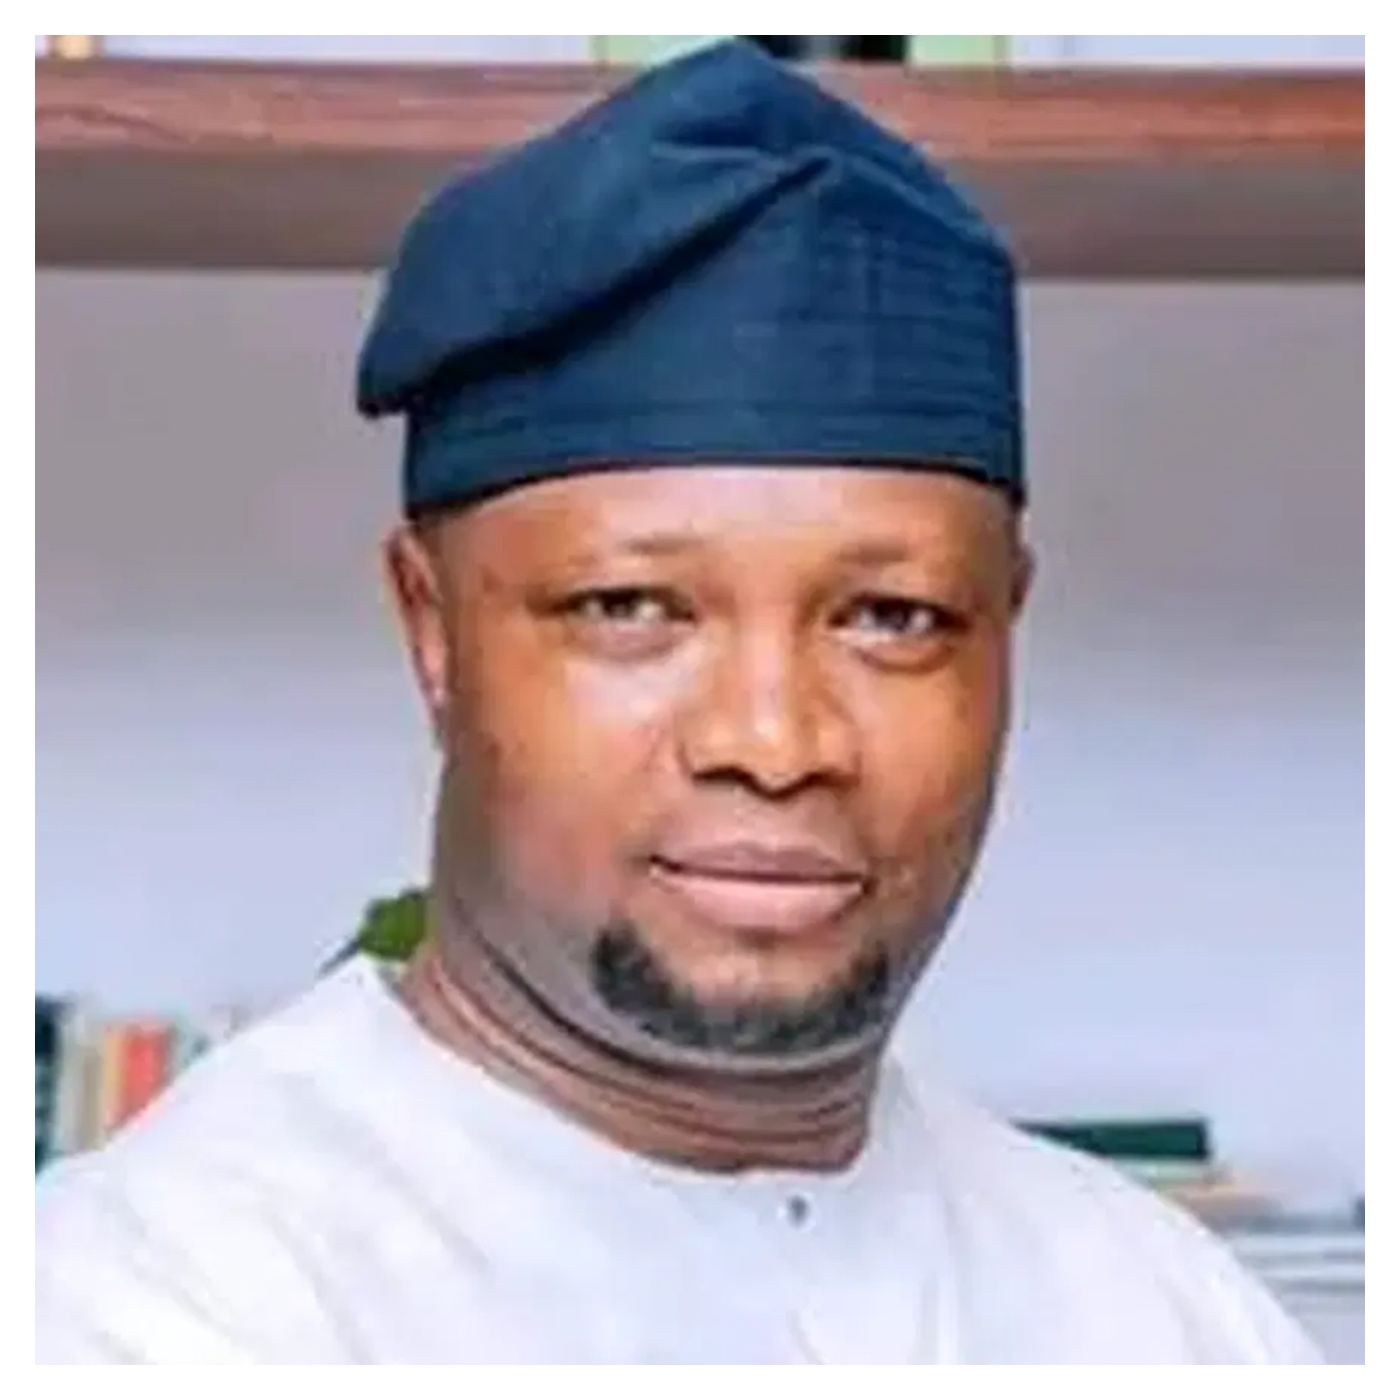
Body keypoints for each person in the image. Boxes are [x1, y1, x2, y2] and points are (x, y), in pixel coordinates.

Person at [35, 40, 1320, 1365]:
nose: (775, 743)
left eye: (893, 618)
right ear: (433, 631)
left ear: (1005, 630)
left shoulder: (1166, 1312)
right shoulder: (162, 1308)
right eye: (630, 608)